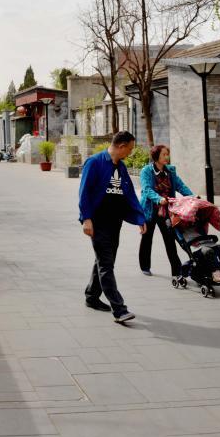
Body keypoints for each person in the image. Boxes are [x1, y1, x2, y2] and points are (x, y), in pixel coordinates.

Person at [78, 131, 147, 324]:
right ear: (121, 146)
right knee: (106, 265)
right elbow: (84, 192)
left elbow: (129, 194)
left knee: (104, 261)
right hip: (98, 222)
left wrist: (140, 218)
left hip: (115, 222)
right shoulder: (95, 162)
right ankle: (119, 309)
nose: (130, 153)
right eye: (130, 149)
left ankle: (92, 296)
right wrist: (86, 218)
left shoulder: (121, 167)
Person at [138, 145, 193, 277]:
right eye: (164, 154)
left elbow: (180, 185)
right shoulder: (146, 171)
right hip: (150, 209)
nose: (167, 157)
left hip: (166, 210)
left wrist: (191, 197)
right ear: (156, 156)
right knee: (147, 238)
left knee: (170, 239)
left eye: (167, 154)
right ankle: (145, 266)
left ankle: (177, 271)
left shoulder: (170, 171)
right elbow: (146, 189)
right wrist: (158, 199)